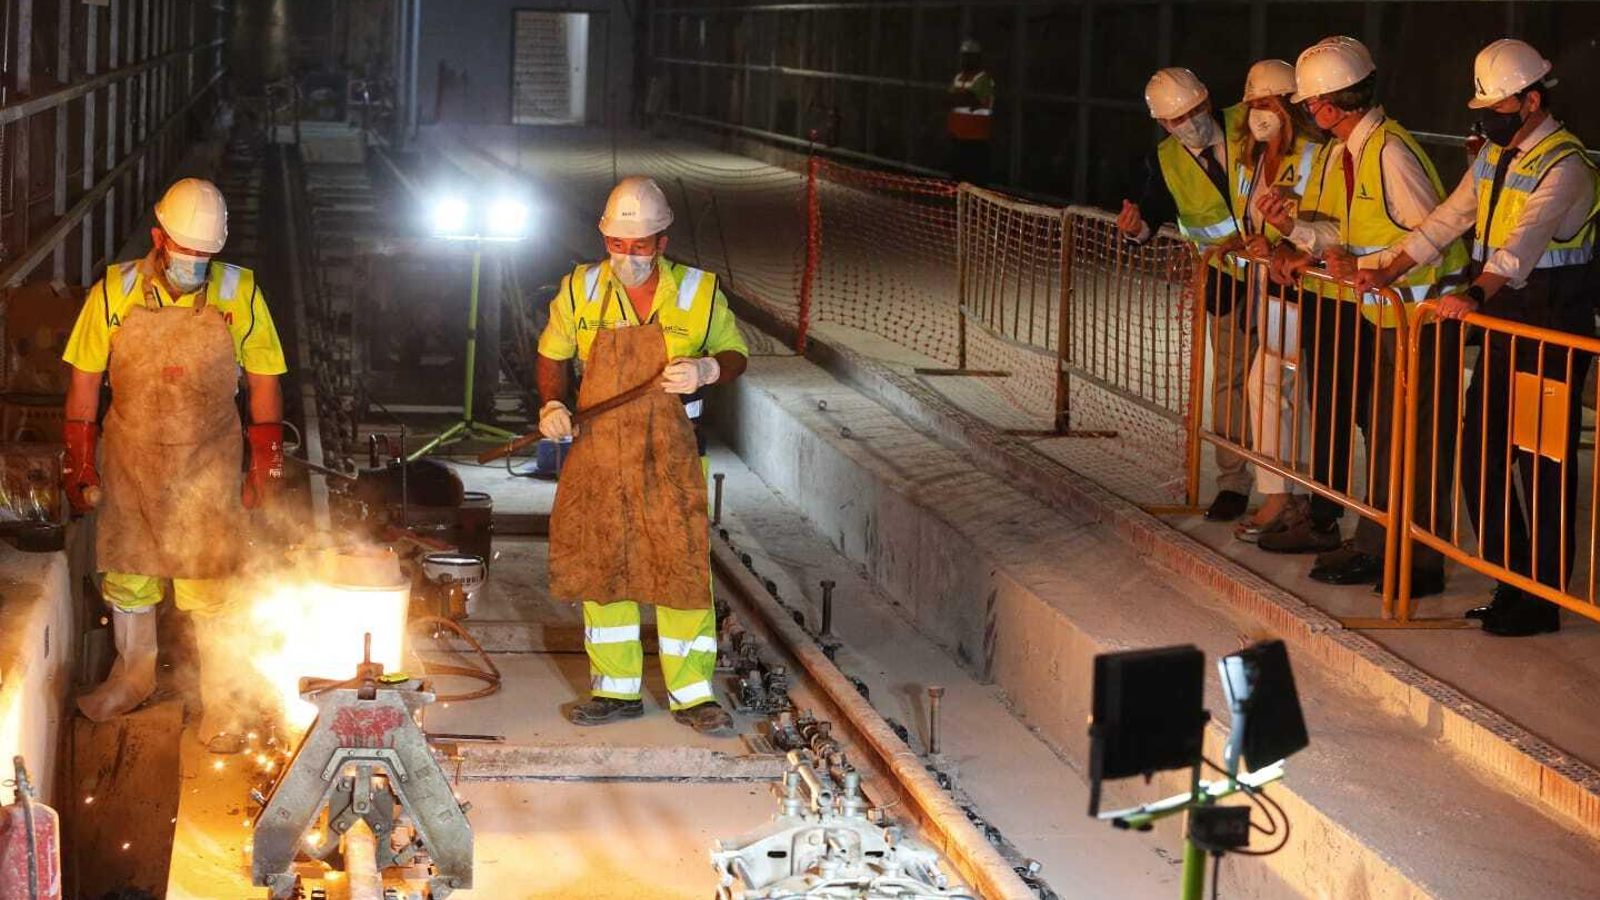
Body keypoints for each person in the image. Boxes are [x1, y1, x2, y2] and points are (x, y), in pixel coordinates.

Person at [1355, 39, 1600, 636]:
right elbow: (1448, 219)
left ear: (1533, 100)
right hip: (1502, 321)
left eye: (1498, 104)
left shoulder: (1566, 166)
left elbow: (1522, 245)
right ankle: (1509, 579)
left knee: (1542, 464)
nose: (1486, 116)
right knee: (1481, 452)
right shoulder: (1494, 154)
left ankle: (1540, 597)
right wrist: (1387, 268)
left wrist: (1474, 294)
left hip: (1549, 327)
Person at [64, 177, 287, 723]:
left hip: (207, 460)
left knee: (208, 579)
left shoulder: (240, 291)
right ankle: (133, 678)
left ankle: (221, 701)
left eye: (204, 256)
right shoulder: (114, 291)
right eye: (186, 252)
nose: (195, 264)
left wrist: (265, 462)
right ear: (158, 237)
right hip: (132, 457)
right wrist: (79, 457)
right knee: (128, 570)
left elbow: (264, 380)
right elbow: (85, 379)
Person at [1254, 36, 1467, 603]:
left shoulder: (1388, 152)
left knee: (1417, 445)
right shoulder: (1347, 151)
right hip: (1385, 317)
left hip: (1420, 318)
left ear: (1325, 104)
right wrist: (1296, 236)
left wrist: (1362, 264)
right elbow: (1339, 237)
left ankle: (1417, 561)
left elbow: (1430, 241)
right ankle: (1379, 543)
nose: (1306, 114)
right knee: (1392, 439)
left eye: (1308, 104)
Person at [536, 176, 749, 733]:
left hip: (673, 454)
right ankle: (616, 690)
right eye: (618, 244)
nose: (628, 256)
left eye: (640, 245)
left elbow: (735, 353)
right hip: (600, 452)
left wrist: (708, 369)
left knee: (680, 570)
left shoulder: (700, 291)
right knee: (605, 568)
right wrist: (553, 403)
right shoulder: (580, 288)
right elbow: (550, 353)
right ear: (604, 238)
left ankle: (694, 695)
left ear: (662, 241)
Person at [1117, 66, 1254, 523]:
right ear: (1162, 124)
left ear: (1209, 98)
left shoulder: (1251, 120)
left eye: (1196, 110)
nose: (1191, 122)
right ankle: (1234, 483)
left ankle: (1298, 491)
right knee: (1231, 383)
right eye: (1178, 119)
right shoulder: (1165, 160)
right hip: (1228, 282)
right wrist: (1137, 230)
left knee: (1286, 386)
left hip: (1288, 277)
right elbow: (1151, 211)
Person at [1231, 59, 1321, 543]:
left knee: (1269, 383)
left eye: (1266, 104)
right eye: (1252, 106)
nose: (1257, 114)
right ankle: (1290, 494)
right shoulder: (1258, 158)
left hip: (1298, 289)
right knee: (1276, 387)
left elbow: (1316, 221)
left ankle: (1281, 498)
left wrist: (1282, 246)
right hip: (1271, 289)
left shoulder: (1306, 155)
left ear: (1288, 106)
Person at [946, 38, 995, 185]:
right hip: (957, 139)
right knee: (956, 183)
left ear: (977, 58)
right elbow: (948, 99)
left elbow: (969, 100)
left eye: (969, 56)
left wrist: (958, 97)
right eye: (963, 56)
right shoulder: (959, 77)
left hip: (976, 142)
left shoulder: (983, 78)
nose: (965, 60)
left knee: (975, 184)